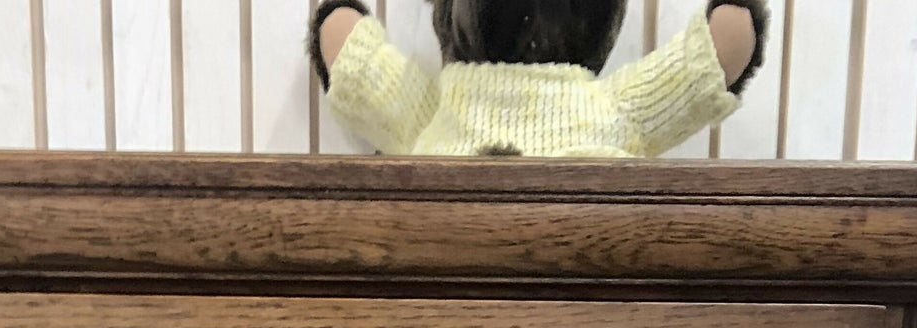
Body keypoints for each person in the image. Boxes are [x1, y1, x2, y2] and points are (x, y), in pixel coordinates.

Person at [309, 1, 768, 159]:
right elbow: (701, 68)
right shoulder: (613, 110)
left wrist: (342, 29)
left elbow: (364, 71)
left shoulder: (436, 115)